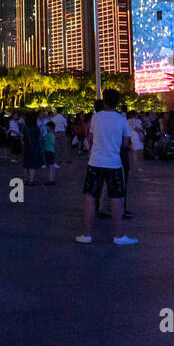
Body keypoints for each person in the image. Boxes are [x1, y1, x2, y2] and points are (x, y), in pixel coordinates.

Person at [76, 89, 137, 245]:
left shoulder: (96, 118)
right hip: (114, 163)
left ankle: (87, 235)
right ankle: (119, 236)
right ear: (117, 103)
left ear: (104, 101)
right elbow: (125, 143)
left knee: (90, 197)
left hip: (95, 162)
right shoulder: (122, 119)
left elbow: (91, 137)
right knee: (116, 199)